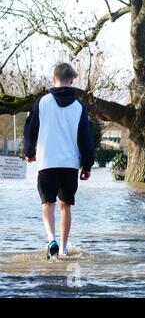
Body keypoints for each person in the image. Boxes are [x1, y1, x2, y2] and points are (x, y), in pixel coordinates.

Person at [23, 62, 94, 259]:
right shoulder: (80, 107)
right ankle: (63, 248)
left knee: (47, 203)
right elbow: (86, 138)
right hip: (70, 164)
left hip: (47, 161)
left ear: (54, 79)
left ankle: (51, 240)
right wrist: (87, 164)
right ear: (71, 81)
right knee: (65, 206)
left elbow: (31, 129)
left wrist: (29, 151)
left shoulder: (42, 102)